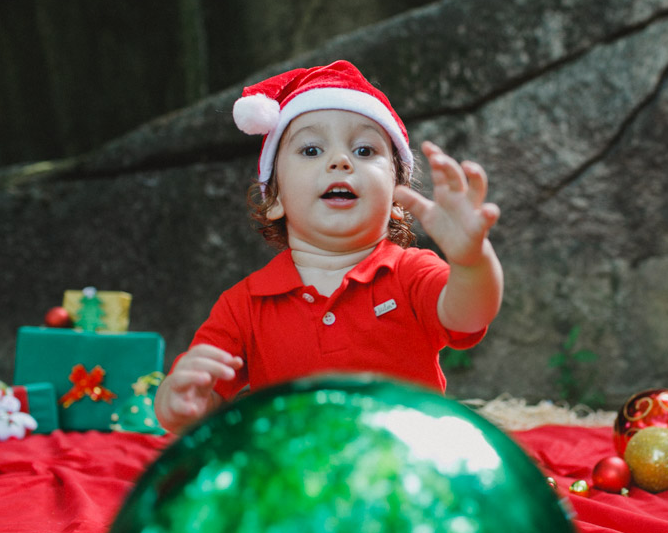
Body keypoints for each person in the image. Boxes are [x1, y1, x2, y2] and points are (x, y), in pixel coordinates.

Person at [155, 60, 503, 434]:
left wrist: (471, 261)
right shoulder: (244, 305)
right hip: (296, 484)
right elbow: (199, 406)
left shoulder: (410, 273)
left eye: (365, 151)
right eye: (310, 150)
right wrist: (178, 403)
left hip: (403, 481)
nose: (340, 160)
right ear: (273, 199)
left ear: (397, 202)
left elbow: (470, 313)